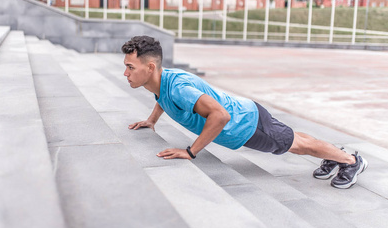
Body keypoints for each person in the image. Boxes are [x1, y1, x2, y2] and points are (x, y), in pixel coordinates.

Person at [121, 35, 368, 189]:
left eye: (130, 67)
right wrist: (151, 120)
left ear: (150, 67)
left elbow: (220, 116)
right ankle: (336, 155)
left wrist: (190, 151)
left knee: (296, 144)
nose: (126, 73)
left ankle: (351, 161)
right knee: (295, 137)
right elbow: (162, 97)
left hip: (246, 125)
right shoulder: (162, 81)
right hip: (248, 113)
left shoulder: (178, 89)